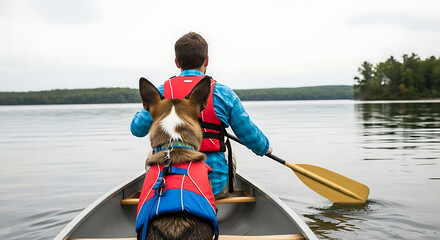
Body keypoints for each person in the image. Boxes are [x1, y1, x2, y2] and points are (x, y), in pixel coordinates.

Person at [131, 32, 272, 199]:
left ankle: (157, 189)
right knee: (229, 154)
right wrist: (265, 148)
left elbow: (137, 129)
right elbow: (250, 136)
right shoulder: (223, 93)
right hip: (213, 188)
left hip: (167, 186)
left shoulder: (161, 92)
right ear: (206, 60)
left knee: (152, 153)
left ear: (177, 63)